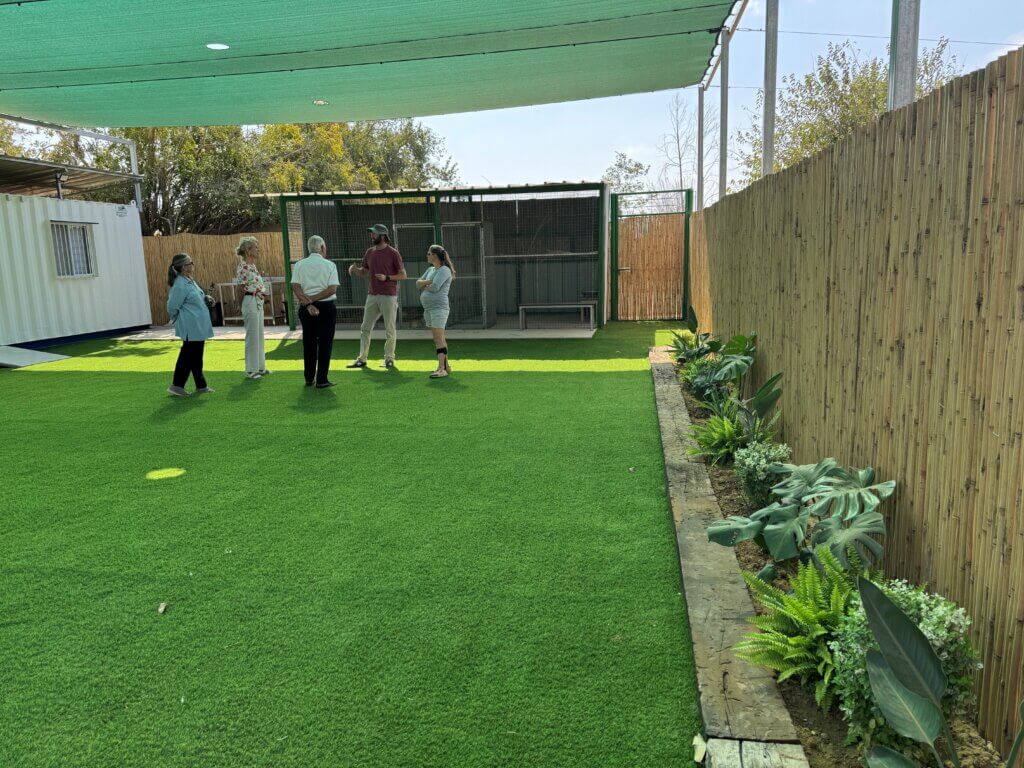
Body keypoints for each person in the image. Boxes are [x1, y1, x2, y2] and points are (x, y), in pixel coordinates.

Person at [346, 223, 406, 369]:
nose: (371, 235)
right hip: (372, 296)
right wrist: (355, 269)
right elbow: (363, 272)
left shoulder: (393, 253)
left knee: (389, 330)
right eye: (371, 233)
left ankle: (389, 359)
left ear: (383, 235)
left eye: (374, 233)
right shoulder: (369, 252)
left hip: (389, 296)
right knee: (365, 328)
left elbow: (403, 275)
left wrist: (387, 278)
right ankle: (362, 359)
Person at [291, 235, 339, 388]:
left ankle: (309, 377)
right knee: (325, 343)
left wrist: (307, 302)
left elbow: (296, 286)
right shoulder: (330, 265)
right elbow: (332, 288)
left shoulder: (299, 264)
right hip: (326, 308)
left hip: (306, 308)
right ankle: (322, 379)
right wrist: (313, 299)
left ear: (309, 248)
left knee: (309, 342)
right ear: (323, 248)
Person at [166, 252, 215, 397]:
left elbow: (195, 297)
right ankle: (177, 385)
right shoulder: (180, 284)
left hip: (197, 325)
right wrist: (176, 317)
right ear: (183, 267)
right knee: (187, 356)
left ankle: (201, 385)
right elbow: (172, 306)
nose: (192, 265)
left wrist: (205, 297)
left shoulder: (189, 280)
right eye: (190, 263)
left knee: (196, 356)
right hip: (190, 326)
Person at [234, 235, 270, 379]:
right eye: (255, 247)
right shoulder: (243, 267)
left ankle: (260, 367)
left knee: (259, 334)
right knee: (252, 335)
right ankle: (251, 370)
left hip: (258, 301)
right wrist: (239, 305)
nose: (258, 249)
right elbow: (240, 288)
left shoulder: (252, 267)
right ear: (248, 251)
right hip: (249, 301)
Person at [416, 244, 455, 378]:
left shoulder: (444, 270)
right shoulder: (431, 269)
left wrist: (425, 284)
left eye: (428, 253)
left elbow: (435, 287)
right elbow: (417, 283)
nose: (427, 255)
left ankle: (441, 369)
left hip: (439, 309)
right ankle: (446, 367)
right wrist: (429, 281)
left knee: (438, 339)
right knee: (440, 338)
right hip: (429, 309)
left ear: (435, 255)